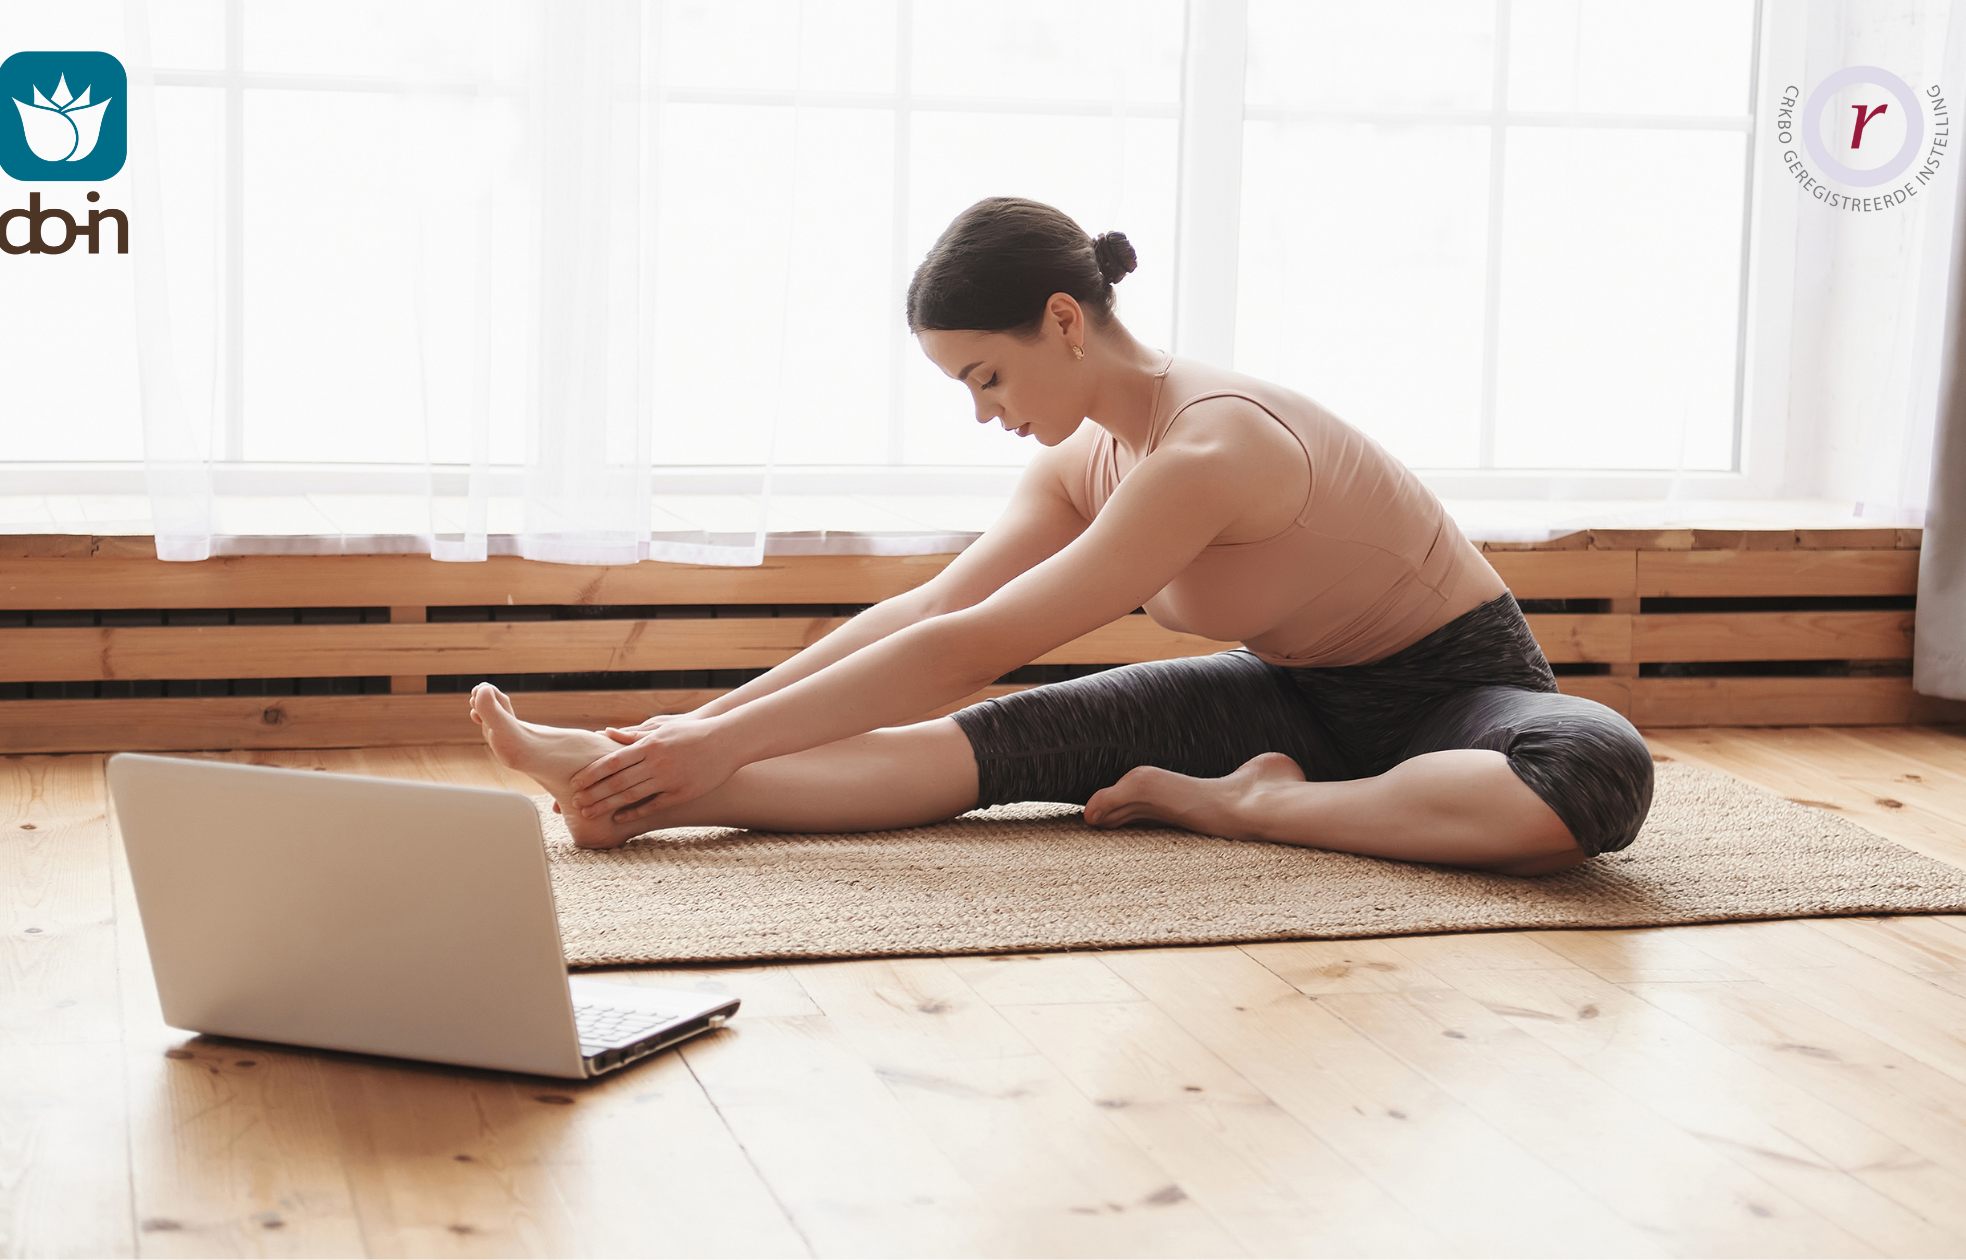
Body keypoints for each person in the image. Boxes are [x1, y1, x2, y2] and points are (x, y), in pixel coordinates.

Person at [470, 196, 1654, 875]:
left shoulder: (1211, 447)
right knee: (973, 755)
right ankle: (631, 790)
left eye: (985, 376)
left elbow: (977, 643)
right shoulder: (1084, 458)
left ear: (1061, 319)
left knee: (1587, 782)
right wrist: (688, 736)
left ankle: (1247, 806)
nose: (983, 412)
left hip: (1455, 700)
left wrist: (716, 738)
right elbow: (930, 612)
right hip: (1286, 701)